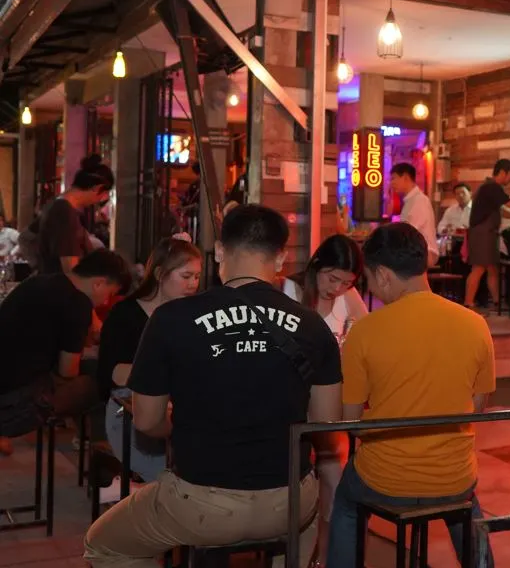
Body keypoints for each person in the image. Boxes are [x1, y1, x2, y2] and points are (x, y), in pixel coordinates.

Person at [85, 205, 343, 568]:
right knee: (307, 521)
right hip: (288, 502)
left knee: (103, 544)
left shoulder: (171, 319)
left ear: (220, 251)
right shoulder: (314, 325)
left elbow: (145, 422)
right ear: (281, 258)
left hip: (201, 503)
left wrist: (182, 424)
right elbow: (326, 427)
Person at [327, 222, 496, 568]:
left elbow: (350, 422)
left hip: (384, 478)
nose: (371, 289)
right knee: (465, 500)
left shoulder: (366, 332)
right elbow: (477, 408)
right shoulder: (475, 324)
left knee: (344, 504)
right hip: (453, 477)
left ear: (384, 276)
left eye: (370, 281)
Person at [283, 234, 368, 567]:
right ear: (316, 266)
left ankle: (328, 552)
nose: (337, 288)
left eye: (346, 282)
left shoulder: (349, 298)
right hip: (296, 401)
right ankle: (302, 551)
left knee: (335, 474)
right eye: (333, 279)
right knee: (300, 477)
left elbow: (367, 336)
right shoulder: (290, 292)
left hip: (334, 399)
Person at [0, 250, 131, 457]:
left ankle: (93, 443)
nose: (106, 302)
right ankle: (105, 456)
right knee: (103, 378)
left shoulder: (39, 282)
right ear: (98, 283)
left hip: (7, 381)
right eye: (109, 294)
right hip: (16, 401)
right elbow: (67, 371)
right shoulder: (77, 304)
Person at [97, 238, 201, 490]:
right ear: (159, 274)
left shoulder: (195, 314)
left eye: (197, 277)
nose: (193, 285)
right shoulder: (126, 315)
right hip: (129, 410)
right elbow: (111, 373)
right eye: (186, 276)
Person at [464, 159, 510, 309]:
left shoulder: (489, 188)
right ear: (503, 172)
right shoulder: (492, 187)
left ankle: (497, 303)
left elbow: (502, 210)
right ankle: (468, 303)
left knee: (492, 269)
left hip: (488, 234)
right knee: (478, 268)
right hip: (482, 234)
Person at [38, 154, 114, 274]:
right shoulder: (63, 211)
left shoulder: (59, 206)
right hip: (59, 287)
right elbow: (70, 267)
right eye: (102, 195)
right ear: (96, 188)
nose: (99, 201)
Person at [390, 163, 438, 267]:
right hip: (413, 251)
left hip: (424, 252)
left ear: (406, 178)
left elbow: (410, 231)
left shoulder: (420, 200)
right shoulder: (410, 201)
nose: (391, 183)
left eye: (394, 178)